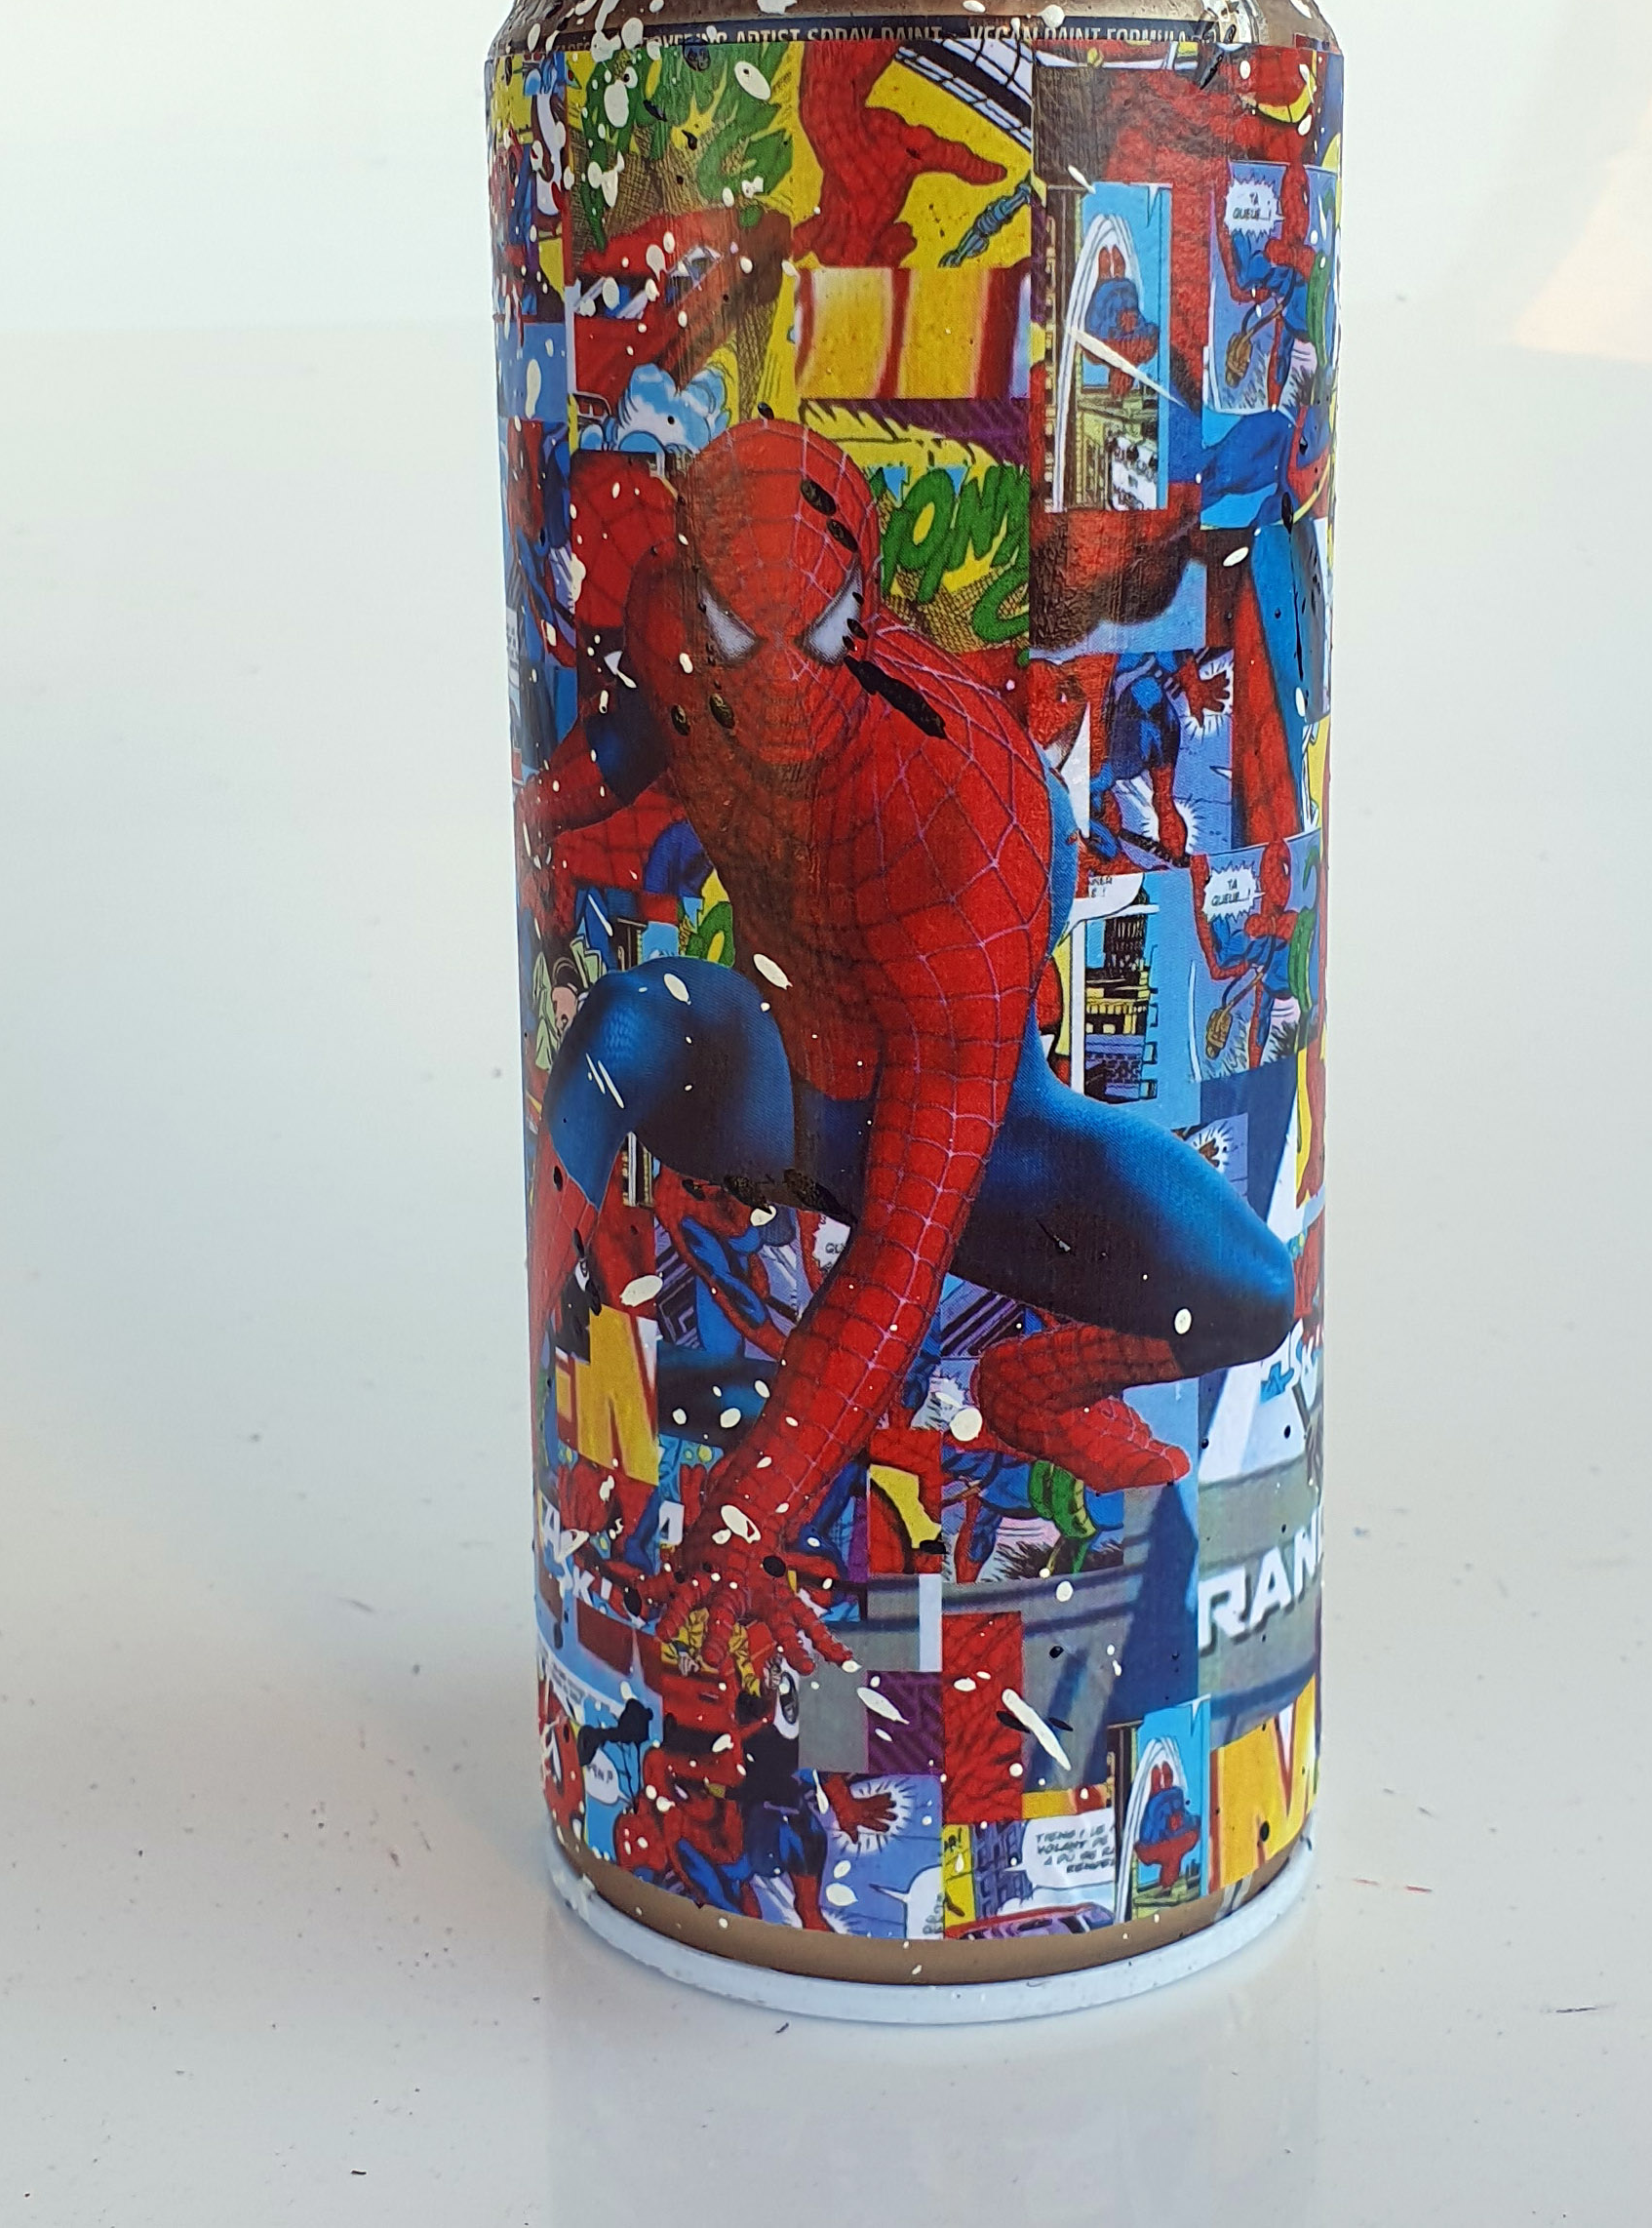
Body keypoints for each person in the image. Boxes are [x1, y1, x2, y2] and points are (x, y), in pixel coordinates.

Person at [522, 419, 1294, 1681]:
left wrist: (743, 1514)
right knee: (621, 1029)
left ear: (863, 605)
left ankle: (1035, 1385)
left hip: (985, 1143)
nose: (776, 682)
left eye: (818, 632)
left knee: (1255, 1289)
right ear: (698, 589)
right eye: (738, 632)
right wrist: (544, 806)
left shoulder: (957, 798)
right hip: (780, 1078)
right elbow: (637, 728)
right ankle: (577, 1341)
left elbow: (902, 1253)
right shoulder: (672, 618)